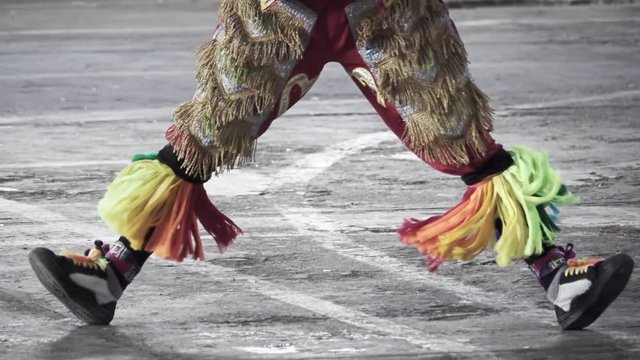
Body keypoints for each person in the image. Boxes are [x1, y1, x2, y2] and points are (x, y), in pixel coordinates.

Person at [28, 0, 633, 330]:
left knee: (461, 137)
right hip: (275, 12)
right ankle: (108, 272)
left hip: (389, 11)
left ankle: (559, 275)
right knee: (201, 138)